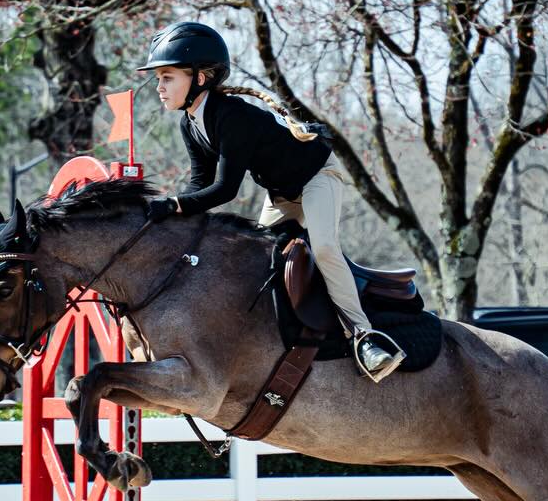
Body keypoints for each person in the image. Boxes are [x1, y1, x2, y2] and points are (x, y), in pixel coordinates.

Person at [137, 21, 406, 382]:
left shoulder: (230, 116)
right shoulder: (190, 124)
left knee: (324, 248)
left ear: (200, 78)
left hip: (317, 177)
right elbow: (199, 183)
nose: (159, 87)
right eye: (159, 78)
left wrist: (173, 206)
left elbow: (225, 190)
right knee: (256, 259)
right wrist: (172, 213)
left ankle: (365, 337)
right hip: (280, 194)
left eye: (167, 77)